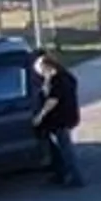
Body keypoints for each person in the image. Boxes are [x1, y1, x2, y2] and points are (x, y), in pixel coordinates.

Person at [34, 51, 84, 186]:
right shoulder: (67, 76)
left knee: (65, 149)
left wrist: (40, 116)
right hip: (68, 116)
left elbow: (52, 100)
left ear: (46, 66)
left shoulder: (56, 80)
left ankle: (75, 178)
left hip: (59, 119)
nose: (39, 73)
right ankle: (64, 174)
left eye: (39, 70)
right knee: (62, 148)